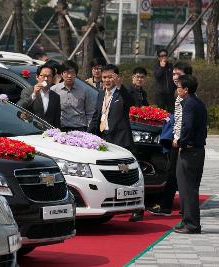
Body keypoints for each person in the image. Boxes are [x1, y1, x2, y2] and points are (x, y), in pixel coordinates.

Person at [88, 64, 143, 222]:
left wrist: (120, 87)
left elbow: (131, 102)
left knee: (129, 176)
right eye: (104, 77)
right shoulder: (100, 94)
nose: (107, 80)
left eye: (110, 77)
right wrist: (89, 136)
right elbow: (96, 116)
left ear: (117, 77)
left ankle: (137, 208)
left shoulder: (122, 94)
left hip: (121, 141)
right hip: (104, 139)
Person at [148, 62, 193, 216]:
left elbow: (185, 121)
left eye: (178, 74)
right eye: (173, 74)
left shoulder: (187, 95)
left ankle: (174, 207)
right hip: (178, 139)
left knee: (178, 173)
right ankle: (171, 205)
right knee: (174, 173)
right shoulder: (177, 92)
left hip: (182, 141)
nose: (174, 77)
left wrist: (179, 138)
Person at [174, 75, 207, 234]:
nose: (177, 89)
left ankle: (192, 224)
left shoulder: (189, 104)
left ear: (186, 90)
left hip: (191, 150)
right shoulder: (196, 102)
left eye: (179, 86)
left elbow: (187, 127)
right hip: (196, 149)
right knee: (186, 187)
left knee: (188, 189)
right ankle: (187, 220)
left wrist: (181, 142)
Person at [51, 60, 95, 131]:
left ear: (76, 74)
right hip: (60, 128)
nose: (69, 76)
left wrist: (89, 130)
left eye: (72, 73)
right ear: (62, 74)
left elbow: (90, 112)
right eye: (66, 73)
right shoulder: (54, 90)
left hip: (80, 128)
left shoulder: (84, 90)